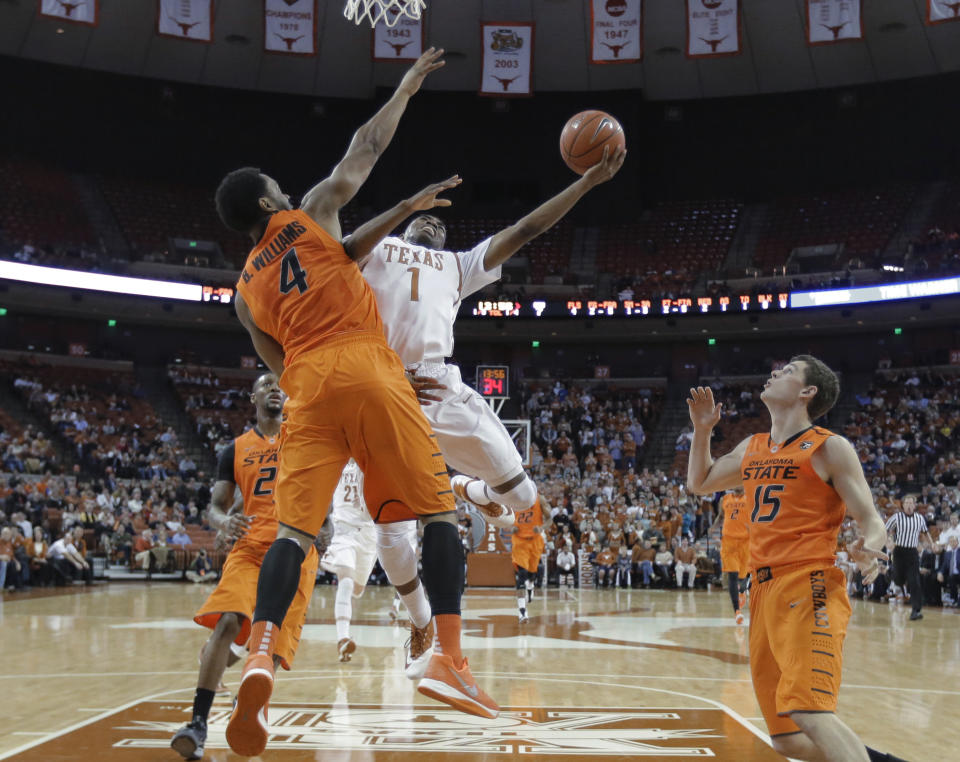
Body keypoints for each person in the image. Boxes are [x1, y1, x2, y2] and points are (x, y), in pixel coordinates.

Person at [215, 49, 498, 759]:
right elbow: (365, 147)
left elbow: (280, 368)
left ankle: (260, 656)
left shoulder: (246, 294)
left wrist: (401, 212)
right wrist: (408, 83)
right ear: (266, 203)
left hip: (307, 389)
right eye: (276, 189)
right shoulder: (309, 214)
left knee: (292, 539)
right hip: (368, 365)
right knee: (437, 513)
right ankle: (448, 660)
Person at [342, 143, 626, 525]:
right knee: (389, 520)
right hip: (379, 382)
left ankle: (469, 489)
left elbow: (525, 229)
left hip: (436, 384)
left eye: (442, 226)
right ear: (408, 225)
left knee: (524, 499)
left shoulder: (459, 265)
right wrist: (407, 206)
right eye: (426, 221)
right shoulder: (379, 247)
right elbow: (346, 248)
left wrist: (586, 183)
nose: (434, 224)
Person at [686, 356, 906, 762]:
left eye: (788, 371)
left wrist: (869, 546)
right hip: (762, 590)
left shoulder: (828, 447)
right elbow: (699, 483)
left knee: (809, 710)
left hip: (809, 584)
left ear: (808, 392)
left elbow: (872, 520)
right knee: (787, 739)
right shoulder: (751, 448)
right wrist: (702, 431)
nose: (774, 373)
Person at [170, 374, 319, 761]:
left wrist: (329, 526)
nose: (275, 389)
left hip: (295, 547)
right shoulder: (233, 450)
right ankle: (197, 723)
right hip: (250, 549)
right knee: (228, 622)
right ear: (253, 396)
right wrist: (224, 523)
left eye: (281, 386)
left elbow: (320, 493)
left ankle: (246, 707)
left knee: (265, 645)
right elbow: (217, 507)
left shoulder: (302, 437)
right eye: (267, 384)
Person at [322, 459, 433, 678]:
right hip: (344, 528)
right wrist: (323, 522)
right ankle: (342, 638)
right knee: (345, 579)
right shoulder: (336, 458)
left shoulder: (372, 458)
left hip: (369, 533)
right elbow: (324, 493)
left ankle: (347, 630)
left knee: (357, 588)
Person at [884, 494, 932, 621]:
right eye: (907, 503)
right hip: (899, 551)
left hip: (912, 552)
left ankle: (916, 610)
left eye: (912, 503)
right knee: (899, 580)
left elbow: (926, 532)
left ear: (915, 505)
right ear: (903, 505)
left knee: (914, 581)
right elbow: (887, 530)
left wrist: (932, 544)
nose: (910, 505)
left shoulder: (920, 518)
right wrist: (888, 540)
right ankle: (890, 574)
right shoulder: (896, 517)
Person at [511, 494, 551, 622]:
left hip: (535, 540)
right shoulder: (513, 498)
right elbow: (504, 517)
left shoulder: (540, 499)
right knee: (521, 575)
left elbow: (550, 519)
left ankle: (531, 585)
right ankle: (522, 612)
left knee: (533, 574)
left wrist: (541, 528)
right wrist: (510, 526)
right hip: (519, 541)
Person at [714, 488, 750, 624]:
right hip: (728, 541)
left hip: (745, 541)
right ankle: (737, 612)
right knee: (732, 575)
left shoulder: (750, 497)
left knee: (742, 576)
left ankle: (743, 591)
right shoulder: (724, 499)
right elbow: (720, 516)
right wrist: (713, 527)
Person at [937, 535, 960, 606]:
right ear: (949, 543)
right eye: (951, 542)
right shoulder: (947, 554)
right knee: (937, 578)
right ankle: (953, 599)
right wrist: (940, 573)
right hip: (951, 575)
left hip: (958, 574)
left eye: (954, 541)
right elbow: (944, 566)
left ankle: (955, 599)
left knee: (951, 578)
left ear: (957, 542)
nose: (952, 543)